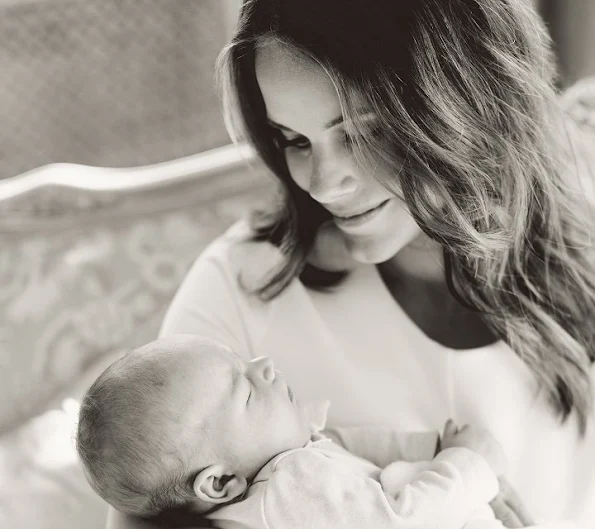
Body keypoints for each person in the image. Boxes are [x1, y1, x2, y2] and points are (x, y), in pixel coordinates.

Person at [107, 1, 595, 528]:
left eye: (365, 132)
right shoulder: (239, 287)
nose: (321, 183)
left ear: (468, 101)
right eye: (295, 140)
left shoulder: (579, 249)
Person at [81, 334, 515, 528]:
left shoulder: (279, 473)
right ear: (221, 481)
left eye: (242, 360)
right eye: (246, 390)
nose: (264, 364)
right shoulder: (289, 491)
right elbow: (407, 521)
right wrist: (467, 462)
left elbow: (349, 446)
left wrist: (431, 446)